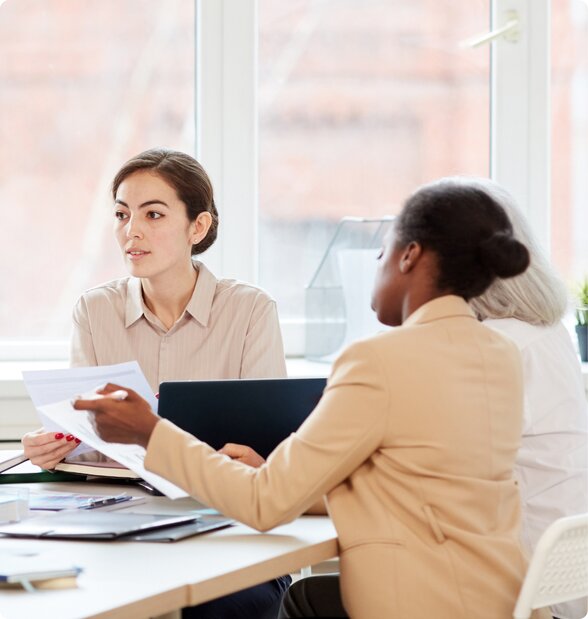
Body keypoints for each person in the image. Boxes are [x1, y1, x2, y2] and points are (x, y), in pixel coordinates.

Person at [74, 178, 550, 619]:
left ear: (409, 257)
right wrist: (278, 476)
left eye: (380, 253)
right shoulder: (498, 353)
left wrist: (150, 431)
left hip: (423, 605)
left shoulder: (379, 361)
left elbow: (264, 504)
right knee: (303, 600)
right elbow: (412, 488)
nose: (374, 268)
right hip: (505, 599)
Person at [22, 148, 289, 619]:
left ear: (198, 227)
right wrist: (57, 445)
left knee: (222, 607)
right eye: (122, 215)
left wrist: (256, 459)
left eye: (153, 214)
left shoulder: (250, 311)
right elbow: (87, 432)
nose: (132, 231)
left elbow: (266, 452)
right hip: (125, 522)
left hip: (227, 524)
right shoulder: (94, 310)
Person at [468, 178, 588, 619]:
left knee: (311, 597)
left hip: (524, 597)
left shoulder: (492, 348)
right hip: (562, 586)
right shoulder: (545, 333)